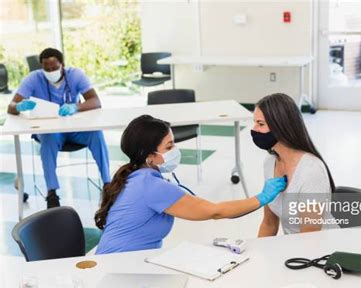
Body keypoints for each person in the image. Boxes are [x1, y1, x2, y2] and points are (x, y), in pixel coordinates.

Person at [94, 115, 286, 254]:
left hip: (125, 260)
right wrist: (262, 198)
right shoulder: (151, 187)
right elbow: (215, 211)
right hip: (119, 266)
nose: (175, 150)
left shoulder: (136, 176)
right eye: (169, 147)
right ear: (150, 156)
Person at [7, 48, 111, 208]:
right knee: (48, 138)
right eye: (46, 69)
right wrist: (20, 106)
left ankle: (107, 184)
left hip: (74, 129)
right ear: (41, 67)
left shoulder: (75, 75)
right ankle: (52, 192)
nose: (50, 71)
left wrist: (75, 107)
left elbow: (95, 101)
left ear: (62, 64)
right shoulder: (33, 79)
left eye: (54, 68)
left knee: (96, 134)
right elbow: (11, 106)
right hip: (50, 132)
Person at [251, 93, 337, 236]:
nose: (254, 129)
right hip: (293, 247)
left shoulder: (311, 171)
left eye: (260, 124)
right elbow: (269, 224)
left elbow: (310, 239)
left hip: (320, 250)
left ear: (281, 126)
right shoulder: (270, 162)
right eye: (255, 123)